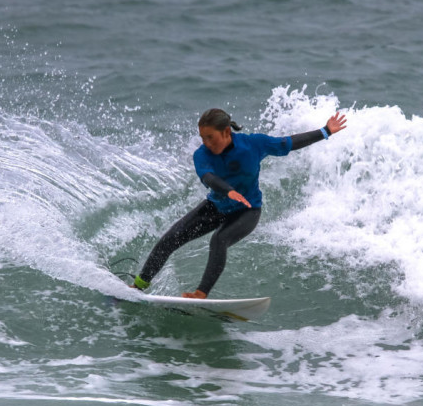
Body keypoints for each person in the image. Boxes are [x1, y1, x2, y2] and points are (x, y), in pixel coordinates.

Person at [132, 107, 347, 299]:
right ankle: (138, 286)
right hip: (215, 207)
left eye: (210, 137)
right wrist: (228, 191)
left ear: (226, 132)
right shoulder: (202, 155)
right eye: (202, 138)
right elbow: (208, 178)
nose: (206, 143)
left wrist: (326, 131)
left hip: (247, 211)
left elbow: (288, 143)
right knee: (171, 238)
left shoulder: (253, 144)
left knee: (219, 240)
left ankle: (200, 294)